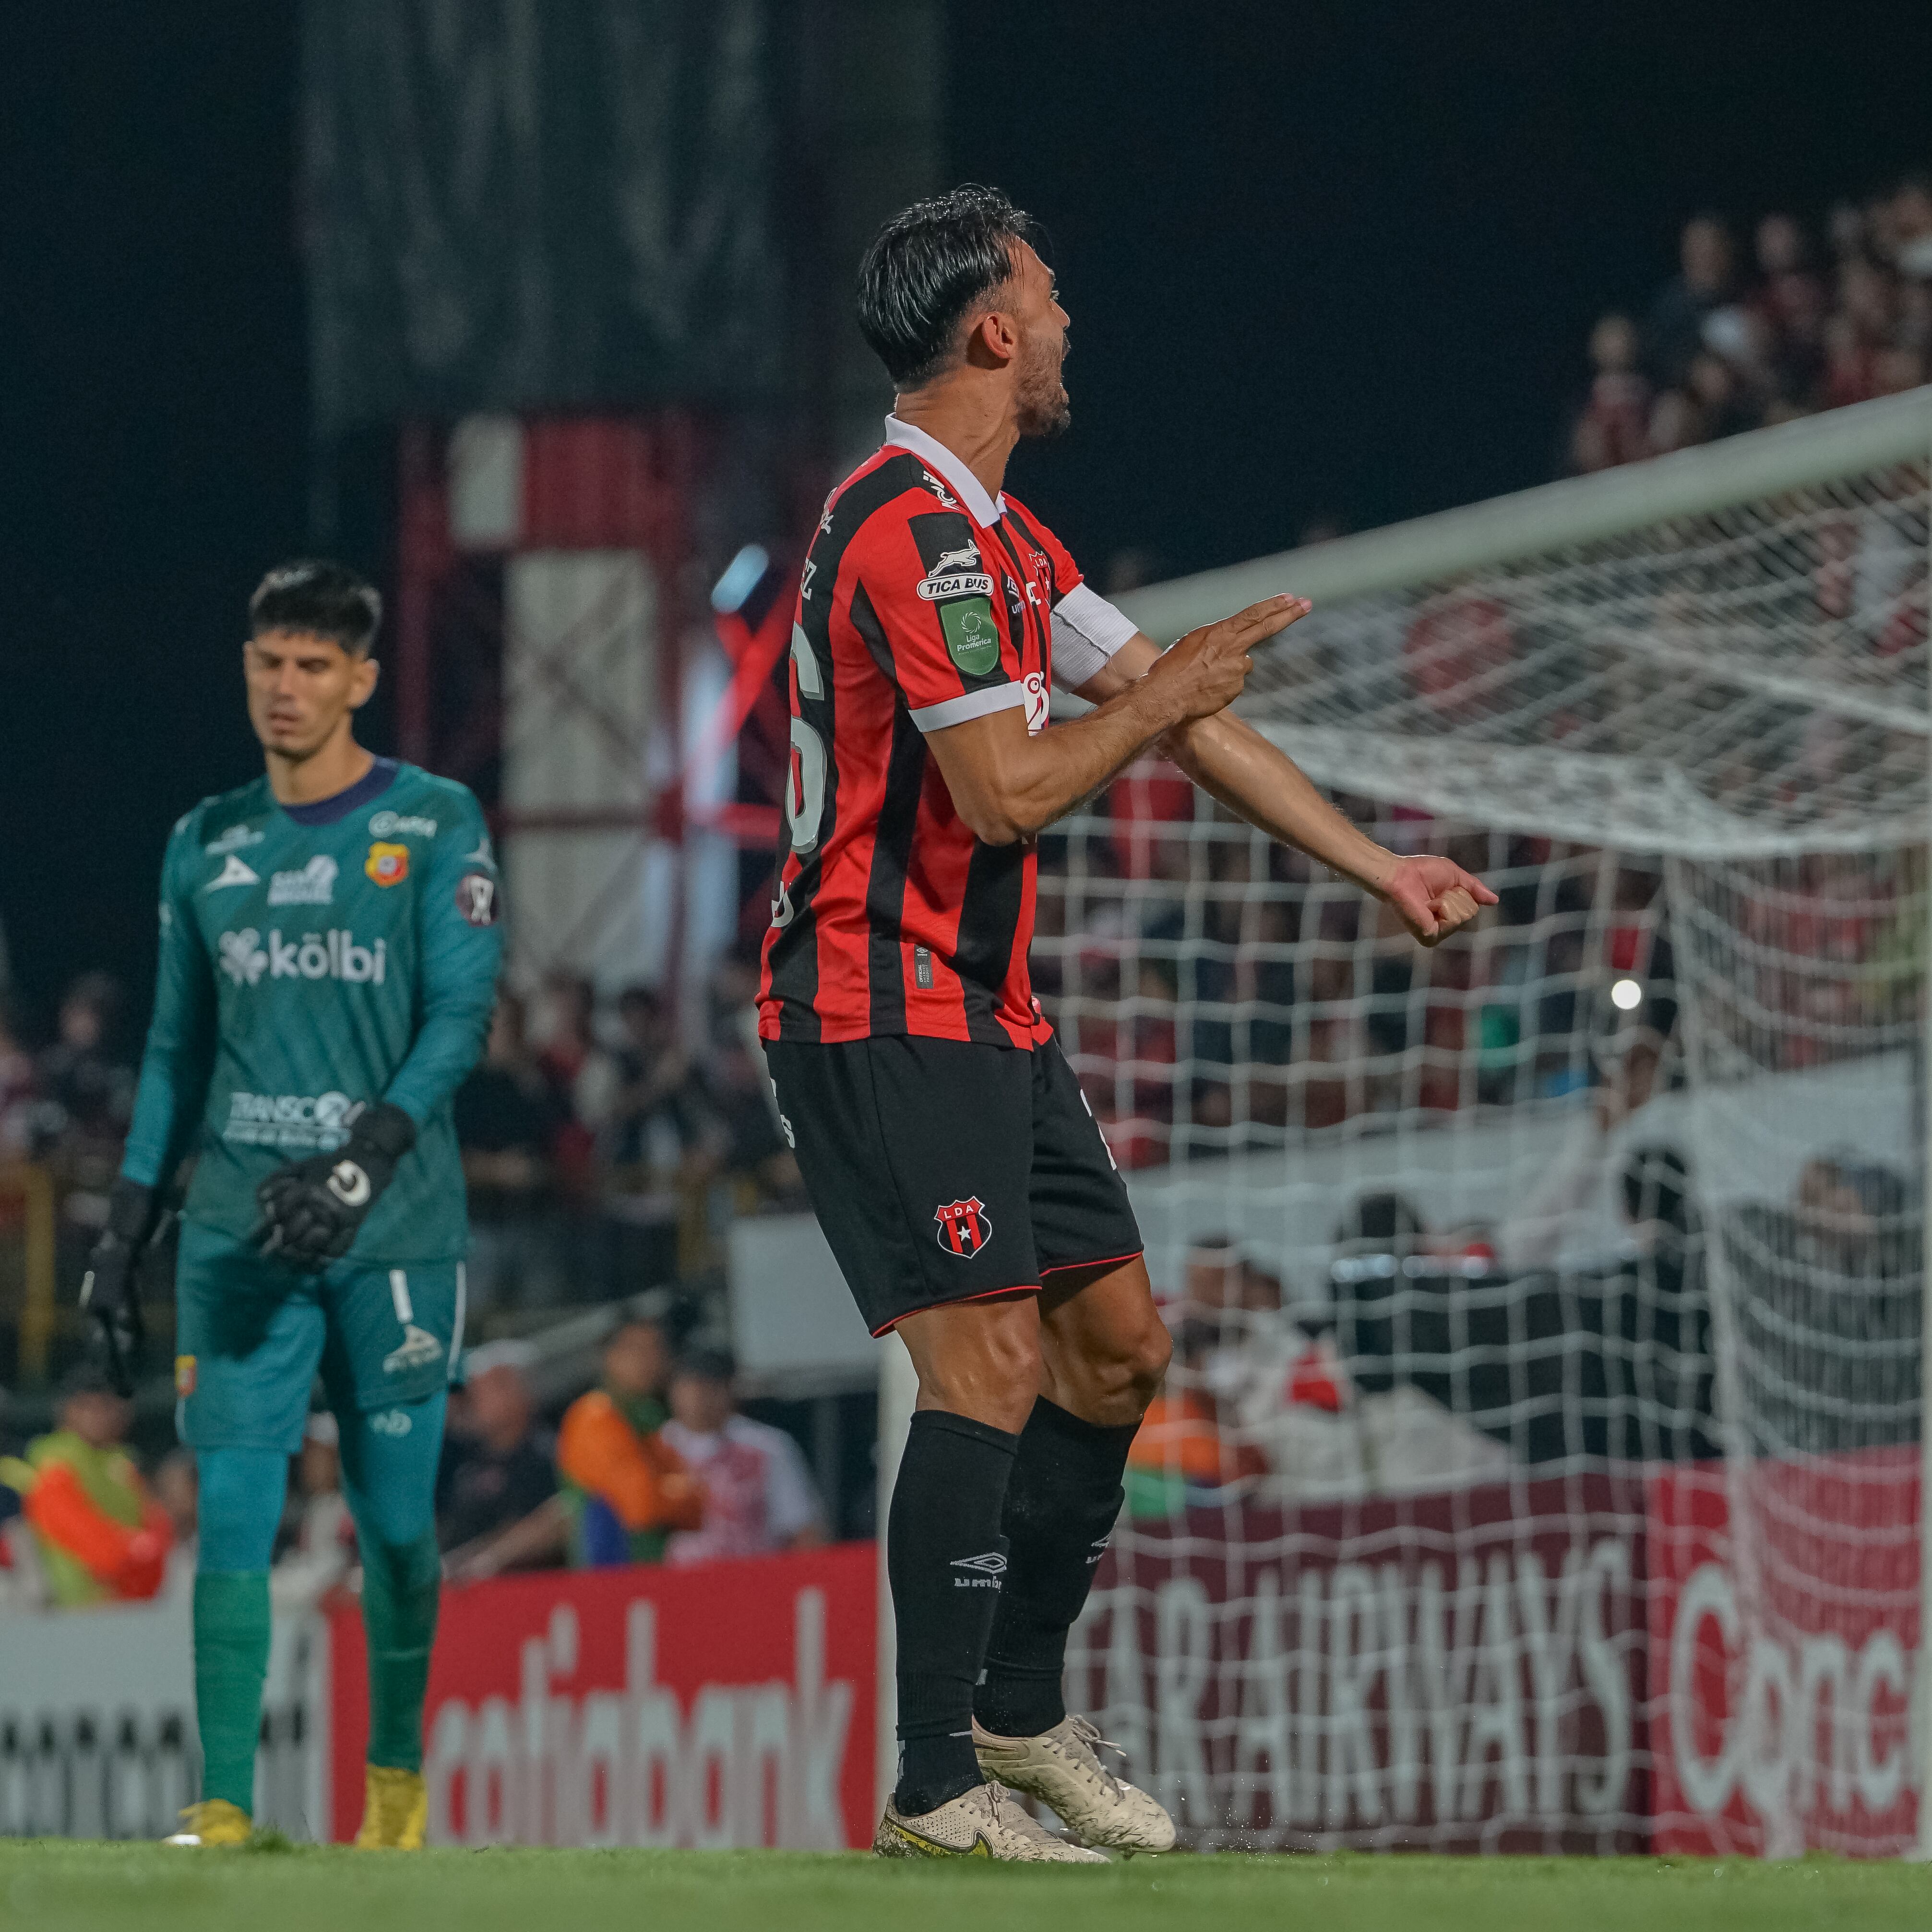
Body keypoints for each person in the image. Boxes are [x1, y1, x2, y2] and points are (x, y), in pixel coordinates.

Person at [758, 185, 1493, 1862]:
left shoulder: (1014, 547)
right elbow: (1009, 791)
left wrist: (1379, 866)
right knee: (990, 1360)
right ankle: (933, 1779)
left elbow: (1182, 713)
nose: (1071, 318)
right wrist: (1166, 697)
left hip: (986, 1010)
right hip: (871, 999)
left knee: (1118, 1349)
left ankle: (1020, 1714)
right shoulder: (904, 525)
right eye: (1050, 290)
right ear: (992, 330)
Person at [79, 559, 502, 1849]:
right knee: (235, 1518)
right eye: (270, 660)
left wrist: (363, 1161)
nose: (286, 686)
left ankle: (392, 1782)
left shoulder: (433, 821)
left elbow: (460, 1014)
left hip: (393, 1227)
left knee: (394, 1532)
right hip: (240, 1230)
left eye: (315, 664)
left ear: (362, 680)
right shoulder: (204, 842)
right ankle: (224, 1806)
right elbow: (173, 1051)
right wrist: (124, 1225)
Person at [0, 1366, 172, 1609]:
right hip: (78, 1606)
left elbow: (155, 1519)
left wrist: (148, 1551)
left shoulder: (123, 1460)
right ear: (67, 1411)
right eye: (86, 1406)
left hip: (133, 1602)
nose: (97, 1415)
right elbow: (72, 1525)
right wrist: (134, 1550)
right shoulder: (55, 1458)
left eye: (105, 1405)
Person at [555, 1317, 703, 1566]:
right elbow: (641, 1506)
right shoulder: (594, 1416)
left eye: (656, 1348)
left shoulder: (651, 1414)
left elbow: (697, 1510)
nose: (648, 1359)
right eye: (636, 1349)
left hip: (660, 1571)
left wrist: (685, 1493)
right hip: (610, 1575)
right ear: (609, 1357)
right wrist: (687, 1492)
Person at [658, 1347, 824, 1564]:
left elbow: (804, 1530)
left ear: (730, 1389)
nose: (699, 1395)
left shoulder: (767, 1446)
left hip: (756, 1580)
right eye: (690, 1385)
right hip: (675, 1586)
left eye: (710, 1386)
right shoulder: (656, 1446)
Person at [437, 1342, 564, 1582]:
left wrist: (486, 1558)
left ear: (518, 1391)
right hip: (467, 1596)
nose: (473, 1399)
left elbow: (558, 1519)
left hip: (529, 1594)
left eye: (485, 1388)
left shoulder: (548, 1455)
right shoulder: (466, 1460)